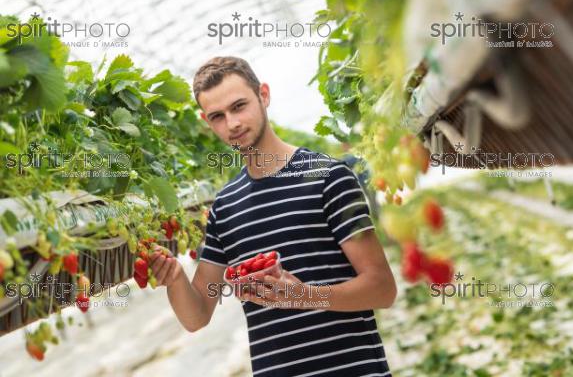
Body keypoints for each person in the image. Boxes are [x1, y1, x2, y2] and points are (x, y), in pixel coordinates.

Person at [149, 56, 396, 377]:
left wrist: (305, 296)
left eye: (239, 106)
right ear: (206, 122)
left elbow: (382, 289)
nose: (232, 124)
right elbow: (197, 316)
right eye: (218, 116)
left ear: (263, 95)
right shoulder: (225, 207)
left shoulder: (328, 177)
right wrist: (176, 277)